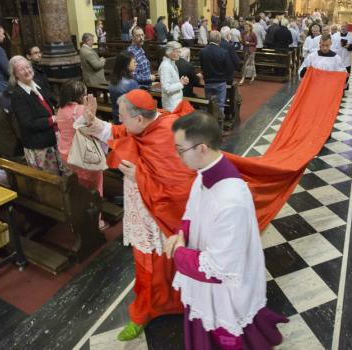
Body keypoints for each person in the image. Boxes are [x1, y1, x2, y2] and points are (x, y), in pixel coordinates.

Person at [166, 111, 288, 349]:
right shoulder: (204, 175)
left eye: (180, 149)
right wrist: (181, 234)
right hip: (203, 264)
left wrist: (179, 253)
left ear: (201, 148)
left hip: (224, 285)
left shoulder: (230, 198)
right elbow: (192, 212)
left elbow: (219, 267)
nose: (177, 155)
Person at [80, 89, 193, 341]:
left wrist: (138, 176)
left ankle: (182, 303)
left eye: (122, 117)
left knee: (172, 262)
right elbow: (118, 132)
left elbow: (181, 184)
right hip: (142, 212)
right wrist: (92, 121)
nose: (120, 122)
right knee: (146, 268)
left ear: (140, 119)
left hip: (163, 214)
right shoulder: (142, 125)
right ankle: (143, 312)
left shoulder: (168, 132)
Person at [9, 56, 62, 175]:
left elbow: (49, 100)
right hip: (39, 145)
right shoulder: (18, 95)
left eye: (28, 67)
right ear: (16, 75)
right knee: (49, 180)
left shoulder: (36, 83)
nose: (27, 71)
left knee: (60, 175)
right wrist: (51, 120)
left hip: (52, 137)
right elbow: (27, 123)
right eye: (22, 70)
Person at [56, 79, 104, 201]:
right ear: (79, 96)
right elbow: (96, 130)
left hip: (66, 153)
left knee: (78, 184)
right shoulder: (81, 110)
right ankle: (94, 214)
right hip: (83, 154)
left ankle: (79, 207)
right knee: (93, 187)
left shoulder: (60, 109)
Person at [200, 31, 234, 112]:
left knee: (209, 104)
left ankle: (209, 122)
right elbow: (229, 68)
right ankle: (219, 122)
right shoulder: (223, 52)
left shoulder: (203, 51)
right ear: (219, 39)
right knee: (220, 104)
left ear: (209, 39)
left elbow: (202, 66)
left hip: (208, 81)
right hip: (220, 82)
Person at [108, 51, 139, 124]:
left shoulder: (112, 81)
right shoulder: (131, 83)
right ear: (126, 65)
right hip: (129, 121)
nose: (136, 64)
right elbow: (137, 105)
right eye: (134, 62)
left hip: (116, 117)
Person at [158, 41, 189, 112]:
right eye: (178, 52)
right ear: (170, 52)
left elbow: (172, 82)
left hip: (176, 102)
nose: (180, 54)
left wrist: (180, 81)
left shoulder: (172, 63)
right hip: (171, 104)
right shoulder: (165, 66)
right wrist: (181, 83)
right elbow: (167, 88)